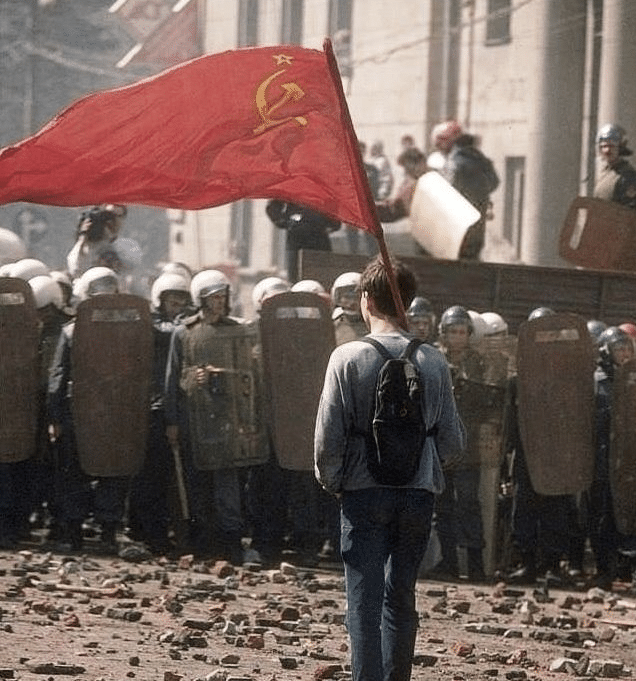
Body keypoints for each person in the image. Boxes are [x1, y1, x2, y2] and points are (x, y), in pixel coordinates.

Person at [314, 255, 465, 681]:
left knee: (363, 601)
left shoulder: (346, 357)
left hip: (363, 491)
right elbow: (453, 442)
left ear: (366, 300)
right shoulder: (434, 360)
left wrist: (335, 481)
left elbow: (328, 438)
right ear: (408, 303)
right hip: (418, 495)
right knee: (401, 596)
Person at [165, 269, 260, 563]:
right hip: (196, 419)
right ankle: (202, 542)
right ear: (201, 300)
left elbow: (250, 377)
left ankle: (231, 543)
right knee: (197, 485)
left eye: (223, 297)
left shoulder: (237, 330)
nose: (219, 303)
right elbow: (173, 379)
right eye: (214, 298)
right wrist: (172, 420)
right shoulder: (184, 333)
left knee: (228, 487)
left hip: (229, 420)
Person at [47, 266, 128, 552]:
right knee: (74, 472)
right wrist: (55, 417)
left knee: (112, 471)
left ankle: (107, 529)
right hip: (78, 412)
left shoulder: (129, 331)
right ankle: (74, 531)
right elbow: (59, 375)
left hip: (115, 411)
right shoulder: (72, 332)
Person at [127, 271, 191, 554]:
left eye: (181, 301)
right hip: (152, 406)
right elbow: (165, 331)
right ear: (160, 300)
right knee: (149, 476)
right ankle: (147, 530)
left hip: (174, 404)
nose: (177, 306)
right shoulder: (153, 325)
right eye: (172, 301)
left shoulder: (184, 325)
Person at [432, 305, 487, 581]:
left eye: (462, 332)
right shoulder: (434, 359)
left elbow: (489, 399)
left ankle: (476, 564)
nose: (457, 337)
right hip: (440, 444)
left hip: (469, 445)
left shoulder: (479, 362)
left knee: (468, 504)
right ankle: (449, 561)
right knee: (442, 507)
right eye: (452, 331)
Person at [432, 120, 499, 260]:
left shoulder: (454, 162)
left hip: (455, 228)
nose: (439, 148)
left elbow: (446, 192)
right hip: (477, 225)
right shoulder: (480, 160)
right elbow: (494, 182)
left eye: (440, 143)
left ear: (450, 142)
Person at [265, 200, 340, 283]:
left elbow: (335, 215)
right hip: (297, 240)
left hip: (319, 238)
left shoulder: (325, 189)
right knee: (296, 280)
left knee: (321, 280)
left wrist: (329, 223)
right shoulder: (293, 188)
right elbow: (273, 206)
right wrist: (287, 222)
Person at [66, 205, 126, 279]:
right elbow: (75, 270)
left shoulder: (112, 249)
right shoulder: (81, 248)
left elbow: (118, 273)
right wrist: (82, 237)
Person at [375, 147, 428, 223]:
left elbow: (405, 208)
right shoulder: (410, 180)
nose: (405, 171)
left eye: (406, 167)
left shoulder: (421, 183)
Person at [593, 124, 636, 209]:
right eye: (604, 146)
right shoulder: (604, 174)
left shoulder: (627, 175)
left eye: (611, 146)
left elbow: (629, 211)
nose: (607, 150)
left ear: (619, 148)